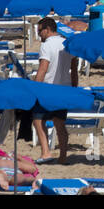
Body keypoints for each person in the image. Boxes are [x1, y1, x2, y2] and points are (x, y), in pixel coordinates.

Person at [34, 17, 77, 163]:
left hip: (48, 89)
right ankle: (63, 156)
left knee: (38, 119)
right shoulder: (67, 43)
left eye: (39, 31)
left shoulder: (46, 45)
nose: (39, 34)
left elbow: (43, 69)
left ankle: (46, 153)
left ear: (46, 29)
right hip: (64, 88)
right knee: (60, 123)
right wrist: (74, 89)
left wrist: (35, 88)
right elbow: (74, 69)